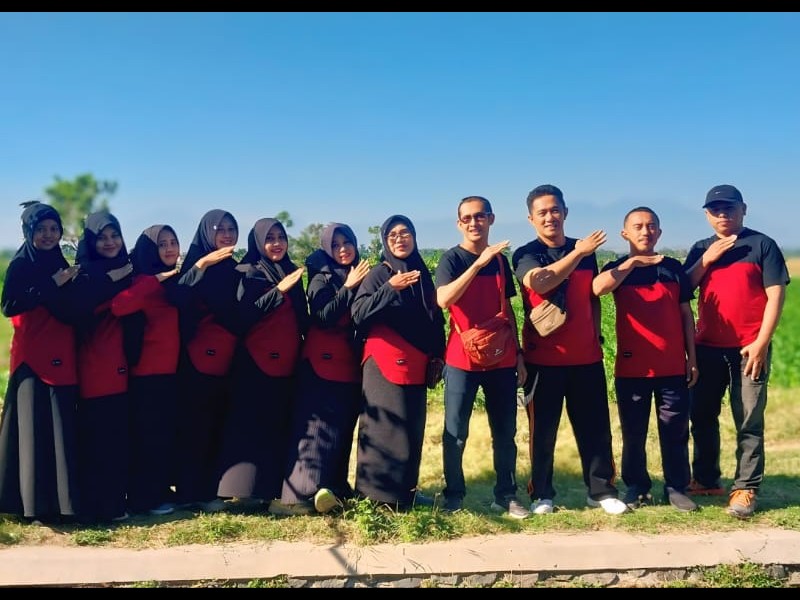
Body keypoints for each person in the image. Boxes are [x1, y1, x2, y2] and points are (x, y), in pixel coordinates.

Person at [512, 184, 628, 516]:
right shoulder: (526, 254)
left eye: (555, 210)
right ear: (531, 219)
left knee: (596, 429)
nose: (550, 217)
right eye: (542, 212)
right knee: (543, 433)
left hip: (586, 357)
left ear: (565, 212)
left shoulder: (586, 252)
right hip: (542, 359)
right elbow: (540, 282)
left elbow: (592, 297)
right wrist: (577, 253)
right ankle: (542, 494)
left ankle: (601, 490)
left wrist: (595, 336)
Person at [683, 184, 790, 519]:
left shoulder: (762, 245)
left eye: (729, 208)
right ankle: (705, 479)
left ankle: (746, 487)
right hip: (707, 347)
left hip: (749, 349)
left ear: (743, 209)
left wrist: (761, 343)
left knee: (748, 419)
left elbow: (776, 296)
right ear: (707, 215)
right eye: (715, 210)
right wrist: (706, 260)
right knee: (702, 416)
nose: (723, 214)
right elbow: (683, 290)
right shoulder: (701, 248)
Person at [592, 207, 698, 512]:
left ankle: (676, 487)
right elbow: (597, 288)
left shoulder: (673, 268)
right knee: (634, 433)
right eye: (637, 226)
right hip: (633, 367)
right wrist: (632, 263)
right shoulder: (617, 268)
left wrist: (692, 358)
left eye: (651, 226)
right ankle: (637, 487)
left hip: (672, 366)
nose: (645, 231)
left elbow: (685, 315)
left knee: (675, 430)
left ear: (659, 232)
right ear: (625, 233)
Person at [434, 196, 529, 519]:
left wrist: (518, 353)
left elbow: (507, 310)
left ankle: (506, 494)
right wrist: (477, 264)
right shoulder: (452, 259)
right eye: (467, 218)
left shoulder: (500, 262)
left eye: (480, 216)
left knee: (505, 431)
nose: (474, 223)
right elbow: (444, 299)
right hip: (461, 359)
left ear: (491, 219)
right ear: (459, 223)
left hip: (501, 357)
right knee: (456, 432)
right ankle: (454, 495)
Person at [350, 215, 446, 510]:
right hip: (384, 361)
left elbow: (434, 317)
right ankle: (374, 496)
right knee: (383, 427)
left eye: (405, 233)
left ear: (414, 237)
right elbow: (358, 313)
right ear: (385, 241)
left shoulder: (420, 272)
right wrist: (390, 288)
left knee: (410, 428)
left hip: (417, 362)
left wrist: (438, 354)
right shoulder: (380, 273)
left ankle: (406, 492)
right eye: (392, 235)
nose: (399, 239)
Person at [214, 217, 308, 512]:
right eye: (270, 238)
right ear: (257, 242)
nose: (277, 243)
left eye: (281, 237)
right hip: (254, 363)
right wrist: (278, 291)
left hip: (287, 363)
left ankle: (273, 488)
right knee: (252, 427)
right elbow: (243, 318)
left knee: (279, 425)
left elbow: (302, 318)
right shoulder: (247, 272)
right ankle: (244, 491)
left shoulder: (292, 271)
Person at [278, 222, 370, 514]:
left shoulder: (359, 274)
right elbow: (323, 316)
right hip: (323, 363)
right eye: (335, 245)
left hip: (349, 364)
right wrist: (349, 286)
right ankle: (301, 495)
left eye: (347, 243)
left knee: (341, 430)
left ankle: (334, 489)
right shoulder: (322, 277)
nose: (343, 249)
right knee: (317, 431)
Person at [0, 202, 82, 524]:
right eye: (41, 229)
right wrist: (53, 284)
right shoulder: (21, 265)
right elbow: (9, 305)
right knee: (33, 430)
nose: (49, 235)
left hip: (63, 356)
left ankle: (64, 504)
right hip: (33, 360)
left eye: (53, 229)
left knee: (60, 428)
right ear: (28, 232)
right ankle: (32, 506)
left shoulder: (61, 262)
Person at [111, 224, 186, 516]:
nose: (169, 249)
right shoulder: (144, 279)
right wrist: (154, 280)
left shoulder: (175, 281)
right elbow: (119, 306)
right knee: (148, 438)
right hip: (147, 373)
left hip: (170, 371)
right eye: (162, 244)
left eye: (173, 242)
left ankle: (159, 490)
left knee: (163, 435)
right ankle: (144, 498)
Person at [175, 209, 241, 513]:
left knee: (218, 424)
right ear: (206, 232)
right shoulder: (195, 266)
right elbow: (178, 297)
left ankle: (213, 488)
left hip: (228, 359)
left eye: (231, 229)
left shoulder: (236, 269)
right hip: (197, 359)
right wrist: (202, 265)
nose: (226, 235)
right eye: (220, 229)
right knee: (195, 427)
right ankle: (191, 492)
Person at [73, 211, 135, 523]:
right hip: (94, 364)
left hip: (121, 364)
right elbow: (82, 308)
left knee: (117, 436)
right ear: (91, 242)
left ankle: (113, 502)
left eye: (115, 235)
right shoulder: (84, 274)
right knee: (97, 436)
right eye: (102, 237)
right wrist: (116, 279)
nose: (110, 242)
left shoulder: (128, 268)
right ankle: (96, 506)